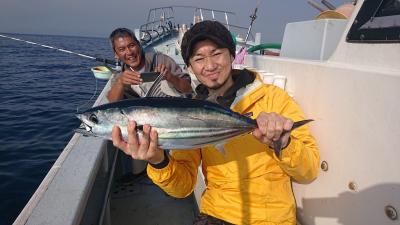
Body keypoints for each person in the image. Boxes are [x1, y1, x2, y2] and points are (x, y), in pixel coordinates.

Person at [112, 21, 320, 225]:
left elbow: (308, 172)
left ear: (232, 55)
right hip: (214, 215)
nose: (210, 66)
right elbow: (182, 187)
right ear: (190, 67)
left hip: (272, 218)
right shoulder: (192, 111)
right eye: (199, 58)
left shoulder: (274, 98)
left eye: (217, 53)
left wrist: (284, 143)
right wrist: (158, 161)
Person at [107, 28, 193, 102]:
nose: (129, 52)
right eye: (122, 49)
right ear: (116, 54)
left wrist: (170, 77)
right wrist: (120, 83)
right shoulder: (119, 77)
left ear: (139, 45)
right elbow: (112, 103)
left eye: (132, 45)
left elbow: (188, 89)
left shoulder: (162, 61)